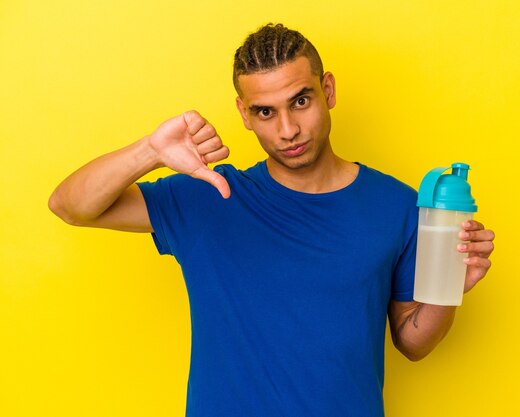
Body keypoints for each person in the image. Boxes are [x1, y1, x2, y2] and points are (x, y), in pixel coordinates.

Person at [49, 23, 495, 417]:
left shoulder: (396, 205)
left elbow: (413, 342)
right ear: (245, 113)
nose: (287, 130)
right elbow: (70, 205)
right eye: (266, 111)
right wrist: (150, 151)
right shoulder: (209, 196)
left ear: (329, 91)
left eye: (301, 101)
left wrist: (447, 285)